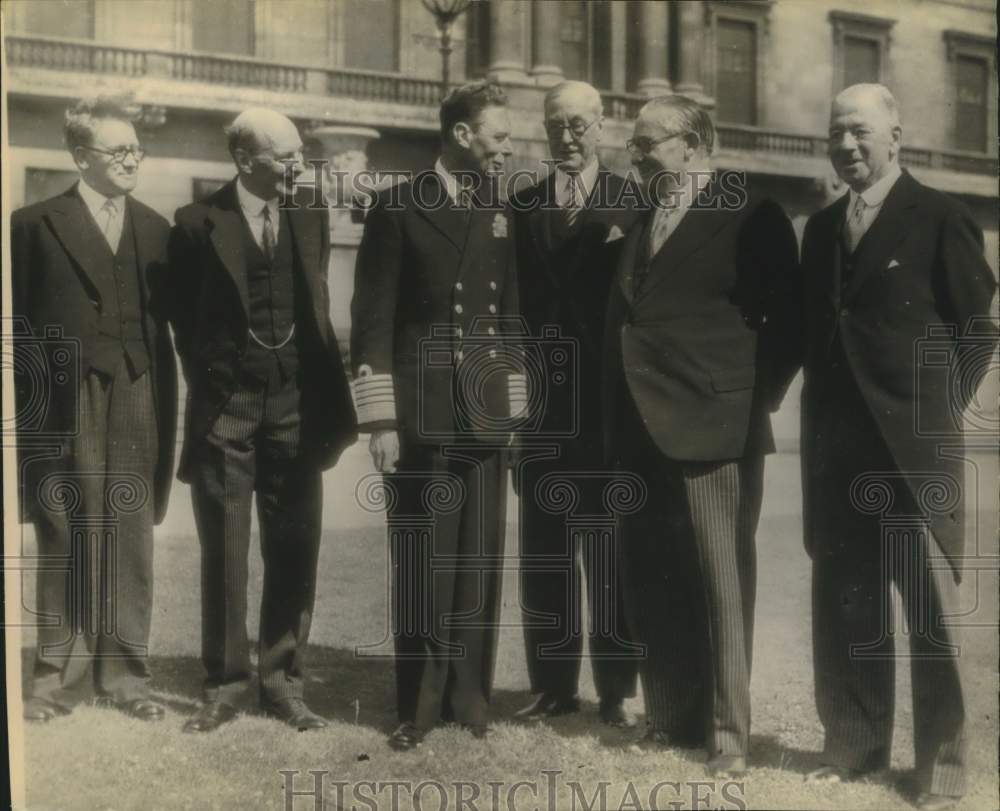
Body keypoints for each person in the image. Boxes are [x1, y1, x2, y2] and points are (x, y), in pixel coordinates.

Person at [800, 83, 997, 811]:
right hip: (838, 454)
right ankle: (852, 749)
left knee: (931, 619)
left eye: (859, 132)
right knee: (847, 605)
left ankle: (942, 772)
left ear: (895, 138)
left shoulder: (941, 216)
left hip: (914, 455)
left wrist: (931, 410)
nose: (846, 146)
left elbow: (978, 334)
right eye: (835, 134)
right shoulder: (820, 230)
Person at [604, 96, 800, 775]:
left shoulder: (752, 214)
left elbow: (790, 323)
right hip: (641, 429)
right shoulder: (638, 217)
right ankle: (668, 717)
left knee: (720, 583)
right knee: (651, 574)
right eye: (634, 144)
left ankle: (727, 734)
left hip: (717, 429)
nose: (636, 154)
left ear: (694, 143)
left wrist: (745, 402)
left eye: (648, 142)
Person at [168, 108, 357, 733]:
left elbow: (317, 303)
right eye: (285, 157)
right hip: (229, 411)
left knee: (294, 548)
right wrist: (217, 384)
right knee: (225, 552)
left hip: (297, 409)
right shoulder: (196, 224)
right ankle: (225, 685)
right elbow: (183, 321)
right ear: (246, 161)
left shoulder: (310, 215)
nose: (298, 166)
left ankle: (283, 684)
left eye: (300, 153)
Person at [350, 81, 521, 751]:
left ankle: (470, 699)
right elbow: (372, 322)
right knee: (424, 560)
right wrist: (380, 422)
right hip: (419, 416)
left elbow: (512, 318)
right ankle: (418, 706)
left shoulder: (498, 210)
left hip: (482, 411)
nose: (506, 147)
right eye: (498, 135)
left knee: (477, 558)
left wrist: (516, 408)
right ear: (460, 135)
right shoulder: (398, 208)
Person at [12, 95, 177, 723]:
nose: (133, 158)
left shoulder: (157, 230)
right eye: (119, 150)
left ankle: (127, 678)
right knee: (64, 528)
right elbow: (17, 327)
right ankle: (53, 678)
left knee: (129, 533)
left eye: (137, 147)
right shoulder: (32, 224)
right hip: (65, 394)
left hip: (139, 388)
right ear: (81, 156)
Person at [511, 80, 640, 728]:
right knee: (544, 551)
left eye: (578, 125)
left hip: (610, 410)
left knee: (610, 550)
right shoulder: (523, 207)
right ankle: (553, 685)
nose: (566, 136)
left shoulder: (632, 202)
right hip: (540, 410)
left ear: (601, 125)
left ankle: (616, 687)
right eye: (555, 124)